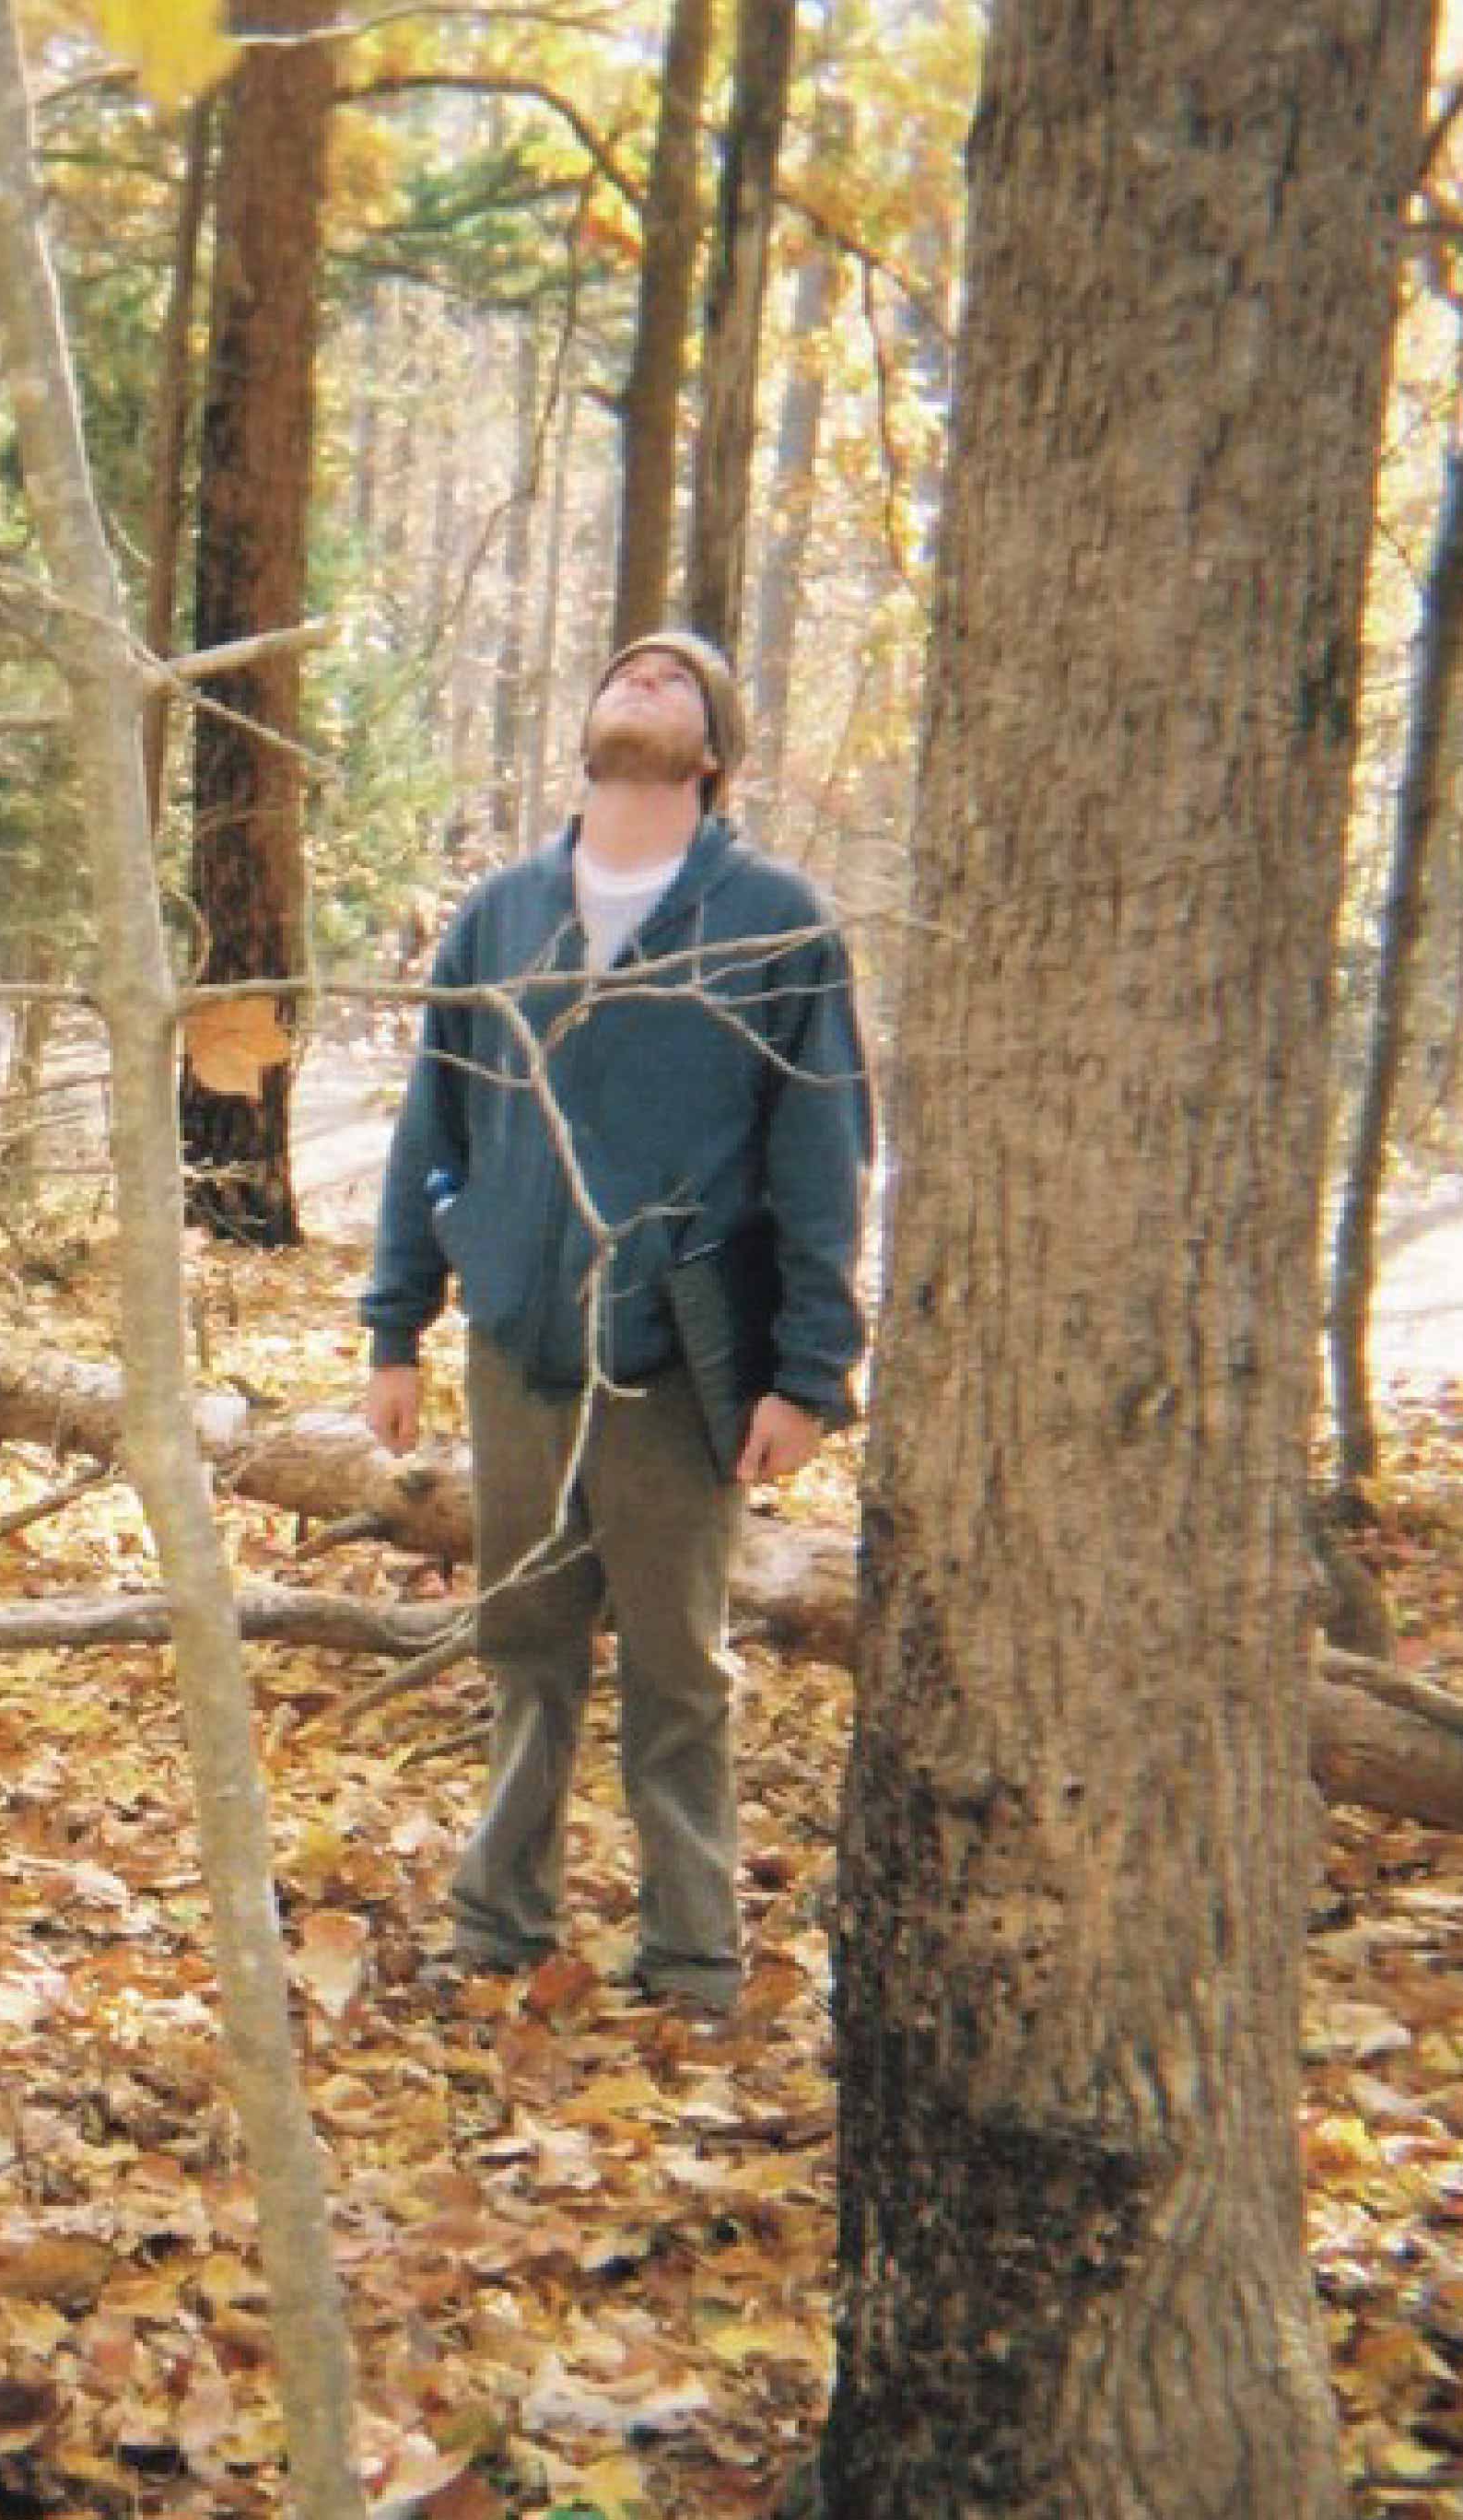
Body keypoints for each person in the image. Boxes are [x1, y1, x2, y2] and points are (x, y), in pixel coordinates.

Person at [357, 631, 871, 2014]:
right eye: (627, 672)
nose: (645, 682)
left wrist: (808, 1373)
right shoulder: (502, 915)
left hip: (680, 1357)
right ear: (588, 724)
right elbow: (431, 1125)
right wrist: (398, 1324)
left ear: (715, 749)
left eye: (679, 679)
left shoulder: (774, 921)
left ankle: (695, 1956)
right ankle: (498, 1925)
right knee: (523, 1646)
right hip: (518, 1349)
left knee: (676, 1672)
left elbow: (824, 1159)